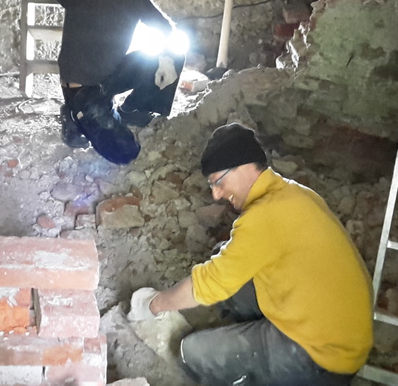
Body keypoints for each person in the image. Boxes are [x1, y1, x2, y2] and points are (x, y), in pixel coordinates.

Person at [128, 123, 373, 386]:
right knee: (223, 256)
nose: (216, 194)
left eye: (218, 182)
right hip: (337, 325)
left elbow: (209, 284)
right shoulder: (293, 193)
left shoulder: (265, 217)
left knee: (192, 352)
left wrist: (153, 305)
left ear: (244, 166)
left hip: (324, 357)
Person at [31, 0, 184, 164]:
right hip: (84, 89)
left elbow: (166, 28)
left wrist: (166, 57)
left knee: (175, 54)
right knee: (125, 153)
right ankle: (73, 114)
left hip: (110, 78)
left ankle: (133, 111)